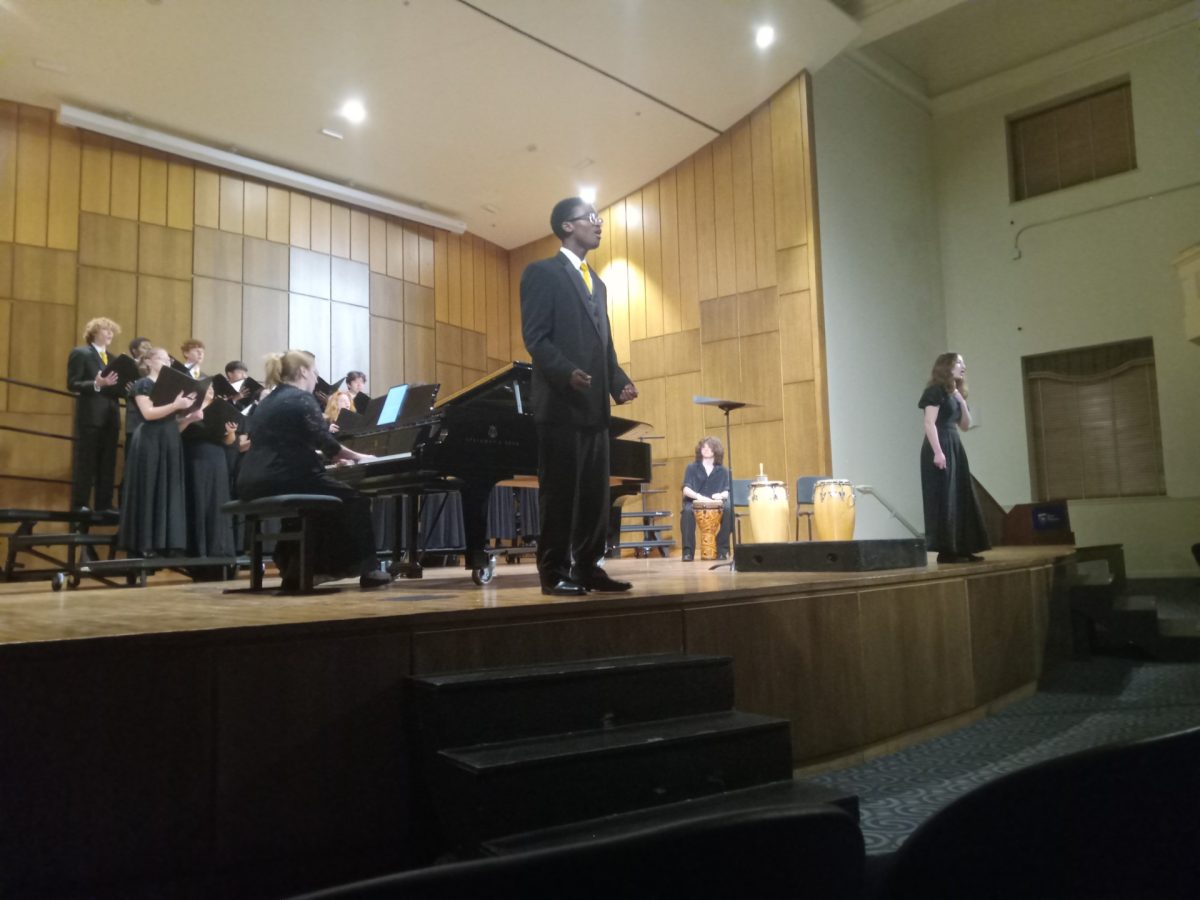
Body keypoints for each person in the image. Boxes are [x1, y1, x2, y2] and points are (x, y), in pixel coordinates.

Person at [521, 197, 638, 596]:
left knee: (594, 495)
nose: (599, 224)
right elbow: (535, 337)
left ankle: (588, 567)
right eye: (591, 218)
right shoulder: (541, 273)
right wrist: (564, 372)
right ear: (567, 226)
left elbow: (604, 345)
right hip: (559, 404)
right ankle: (552, 572)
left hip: (594, 408)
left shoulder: (599, 284)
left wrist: (617, 380)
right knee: (559, 494)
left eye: (599, 218)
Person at [237, 350, 391, 590]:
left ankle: (297, 568)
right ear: (302, 372)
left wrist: (323, 459)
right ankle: (365, 570)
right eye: (315, 374)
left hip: (252, 479)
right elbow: (327, 444)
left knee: (316, 503)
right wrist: (361, 456)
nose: (316, 380)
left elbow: (289, 442)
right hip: (286, 477)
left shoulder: (268, 401)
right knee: (355, 499)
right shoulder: (301, 398)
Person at [118, 348, 197, 556]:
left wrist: (189, 418)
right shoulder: (143, 384)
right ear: (150, 362)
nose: (168, 363)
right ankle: (145, 542)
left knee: (168, 489)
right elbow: (149, 414)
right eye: (163, 359)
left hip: (169, 439)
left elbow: (172, 424)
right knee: (150, 487)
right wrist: (177, 405)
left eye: (169, 360)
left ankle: (167, 542)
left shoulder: (172, 388)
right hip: (149, 440)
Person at [919, 352, 990, 563]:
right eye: (959, 362)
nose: (963, 365)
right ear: (946, 366)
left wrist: (960, 401)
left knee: (961, 494)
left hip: (954, 444)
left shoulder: (955, 393)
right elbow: (929, 423)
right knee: (944, 496)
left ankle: (963, 547)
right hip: (938, 445)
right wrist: (938, 452)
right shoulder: (935, 391)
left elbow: (965, 426)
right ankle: (947, 550)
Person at [66, 317, 123, 511]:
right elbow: (73, 384)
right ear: (94, 332)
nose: (110, 334)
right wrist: (97, 384)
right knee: (86, 461)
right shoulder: (80, 353)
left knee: (108, 463)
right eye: (106, 330)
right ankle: (80, 504)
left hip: (111, 416)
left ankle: (104, 503)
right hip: (90, 417)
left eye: (112, 331)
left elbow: (119, 388)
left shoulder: (115, 359)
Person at [181, 384, 238, 572]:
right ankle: (199, 551)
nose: (211, 391)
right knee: (200, 499)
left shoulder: (220, 410)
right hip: (196, 457)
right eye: (208, 388)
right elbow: (179, 431)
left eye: (214, 389)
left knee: (217, 502)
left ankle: (219, 550)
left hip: (218, 459)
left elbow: (229, 442)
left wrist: (230, 432)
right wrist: (191, 418)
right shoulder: (189, 408)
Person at [680, 436, 733, 562]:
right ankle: (688, 552)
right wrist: (698, 496)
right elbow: (686, 489)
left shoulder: (723, 471)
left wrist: (720, 496)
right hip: (695, 501)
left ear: (716, 450)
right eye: (703, 447)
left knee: (729, 510)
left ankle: (722, 550)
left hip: (717, 503)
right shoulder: (691, 468)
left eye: (709, 447)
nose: (706, 449)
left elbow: (727, 491)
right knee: (687, 512)